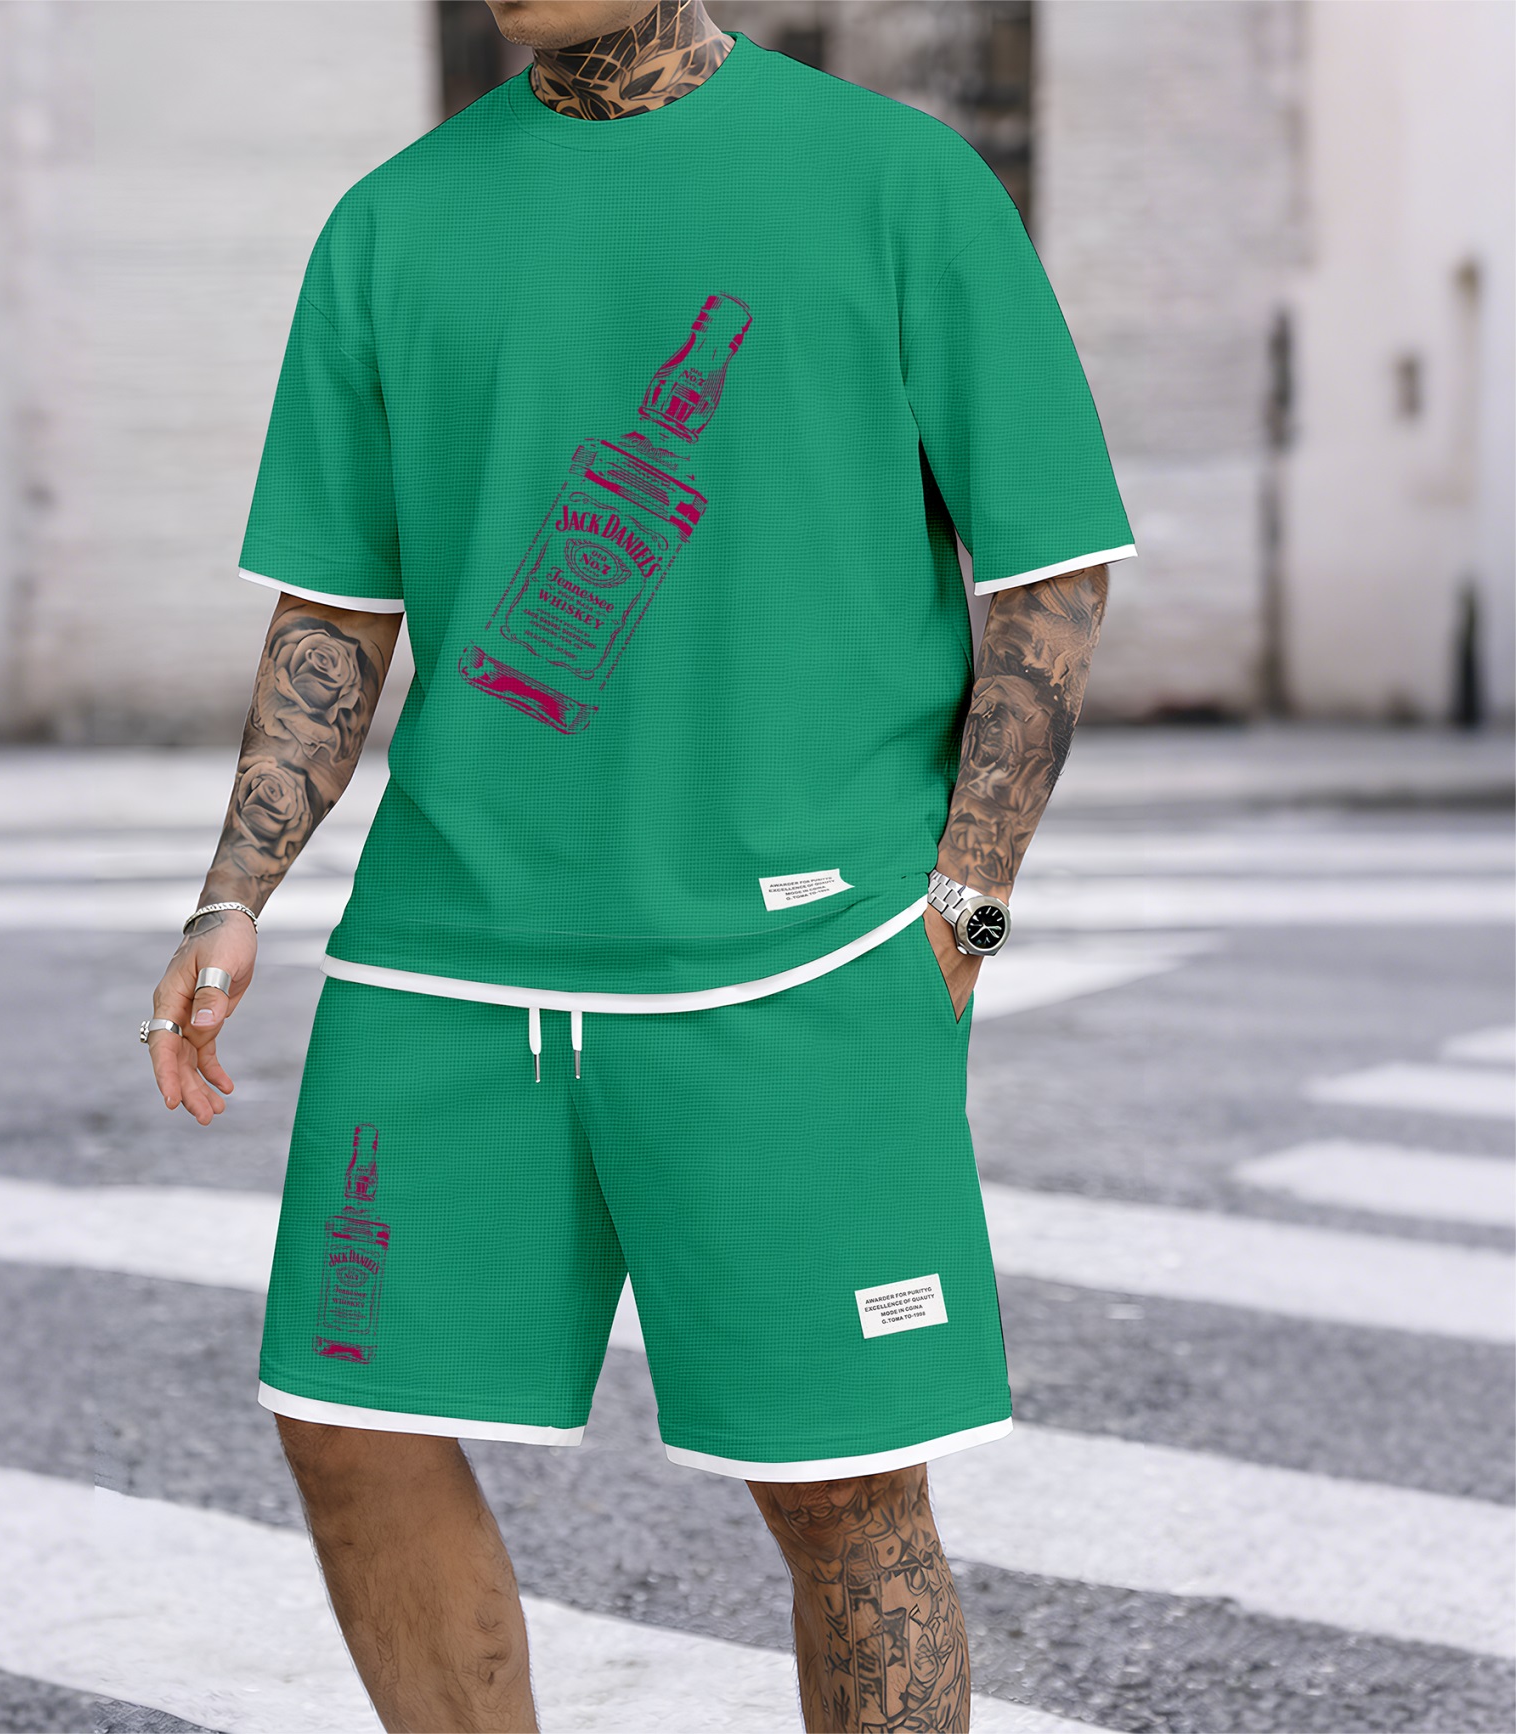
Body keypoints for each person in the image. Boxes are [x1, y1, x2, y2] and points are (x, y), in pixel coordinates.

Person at [143, 3, 1134, 1728]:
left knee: (840, 1488)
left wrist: (965, 901)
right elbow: (336, 610)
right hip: (447, 945)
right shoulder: (392, 222)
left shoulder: (893, 180)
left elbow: (1045, 571)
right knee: (348, 1426)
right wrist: (235, 891)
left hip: (799, 955)